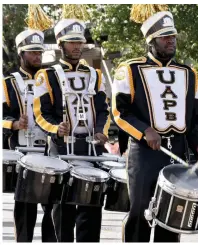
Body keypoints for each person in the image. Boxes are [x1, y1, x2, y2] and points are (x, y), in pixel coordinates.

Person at [111, 4, 198, 242]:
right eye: (164, 37)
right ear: (151, 41)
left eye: (172, 36)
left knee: (172, 217)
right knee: (140, 214)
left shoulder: (189, 74)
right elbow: (120, 113)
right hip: (144, 152)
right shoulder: (129, 70)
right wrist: (145, 130)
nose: (171, 41)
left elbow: (193, 121)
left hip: (176, 151)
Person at [33, 4, 110, 242]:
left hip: (91, 150)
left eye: (79, 42)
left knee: (91, 209)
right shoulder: (45, 75)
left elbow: (103, 109)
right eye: (71, 42)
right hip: (61, 149)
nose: (77, 47)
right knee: (61, 209)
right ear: (60, 44)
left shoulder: (94, 75)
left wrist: (101, 132)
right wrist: (56, 128)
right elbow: (40, 113)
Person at [2, 5, 56, 242]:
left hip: (51, 151)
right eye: (32, 53)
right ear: (22, 54)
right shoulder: (7, 82)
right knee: (24, 209)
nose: (37, 57)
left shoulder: (53, 80)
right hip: (22, 151)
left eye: (39, 53)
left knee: (52, 208)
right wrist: (13, 124)